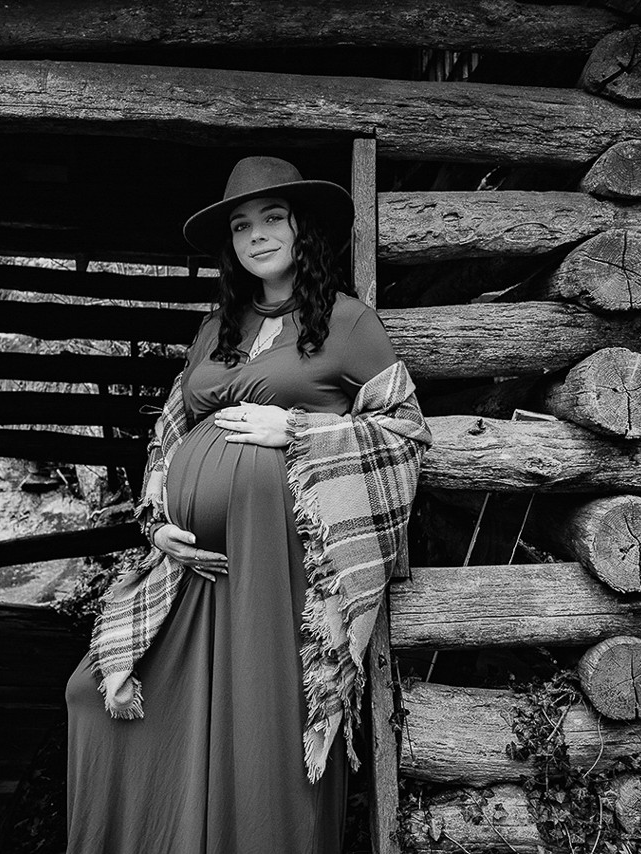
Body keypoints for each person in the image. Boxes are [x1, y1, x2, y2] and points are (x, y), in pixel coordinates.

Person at [64, 155, 431, 854]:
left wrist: (296, 430)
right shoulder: (218, 328)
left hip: (276, 566)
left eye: (272, 219)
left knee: (258, 726)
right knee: (93, 695)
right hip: (194, 566)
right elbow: (167, 437)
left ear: (301, 230)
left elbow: (405, 433)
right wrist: (158, 524)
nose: (256, 235)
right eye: (241, 225)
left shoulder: (348, 323)